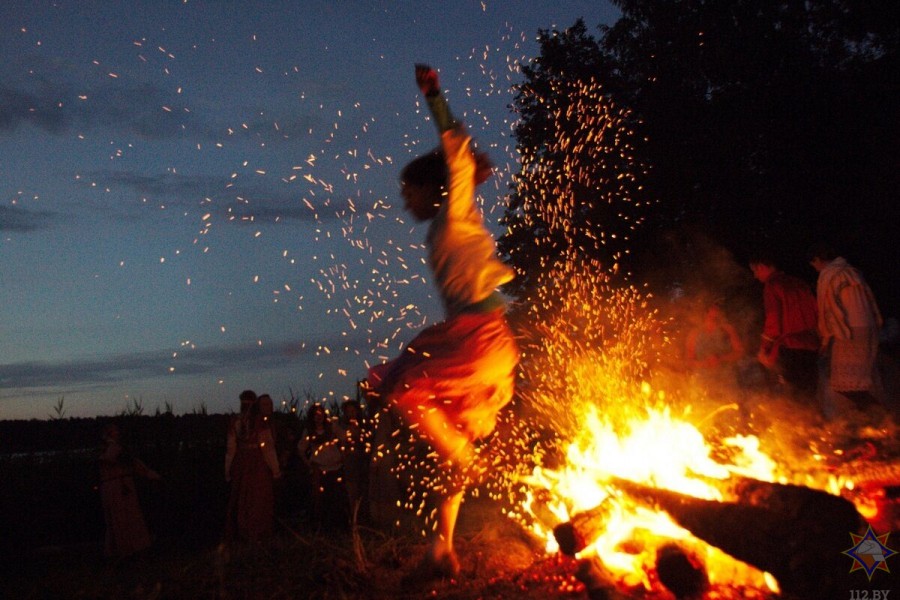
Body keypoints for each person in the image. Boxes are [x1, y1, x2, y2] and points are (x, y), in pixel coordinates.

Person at [365, 64, 520, 580]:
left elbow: (456, 147)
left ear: (433, 189)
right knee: (452, 457)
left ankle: (459, 453)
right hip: (486, 344)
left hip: (479, 339)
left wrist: (434, 96)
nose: (403, 201)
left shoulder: (455, 212)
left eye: (408, 191)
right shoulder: (441, 227)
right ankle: (442, 548)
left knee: (403, 382)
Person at [808, 244, 884, 421]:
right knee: (858, 384)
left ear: (818, 259)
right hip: (868, 329)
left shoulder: (829, 275)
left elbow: (828, 309)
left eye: (813, 263)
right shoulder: (852, 271)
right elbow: (872, 303)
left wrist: (825, 339)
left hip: (849, 331)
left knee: (847, 386)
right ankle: (873, 424)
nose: (814, 267)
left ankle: (882, 420)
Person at [749, 254, 820, 402]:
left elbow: (773, 322)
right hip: (811, 345)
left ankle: (795, 424)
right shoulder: (800, 283)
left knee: (792, 395)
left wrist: (764, 349)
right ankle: (812, 423)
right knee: (809, 394)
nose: (755, 276)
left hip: (790, 347)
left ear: (762, 266)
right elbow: (816, 311)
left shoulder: (772, 285)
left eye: (755, 271)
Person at [224, 390, 282, 544]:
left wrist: (228, 470)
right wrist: (276, 470)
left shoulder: (236, 421)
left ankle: (246, 533)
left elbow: (231, 449)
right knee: (258, 496)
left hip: (242, 462)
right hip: (256, 463)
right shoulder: (259, 422)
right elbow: (268, 448)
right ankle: (256, 533)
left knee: (244, 497)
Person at [98, 422, 162, 560]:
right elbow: (132, 463)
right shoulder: (112, 449)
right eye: (114, 430)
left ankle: (122, 550)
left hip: (116, 486)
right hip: (118, 487)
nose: (118, 432)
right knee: (122, 518)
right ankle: (125, 550)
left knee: (121, 519)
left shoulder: (110, 449)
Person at [297, 403, 347, 529]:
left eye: (320, 414)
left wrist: (343, 454)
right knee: (319, 498)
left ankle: (337, 525)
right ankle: (321, 526)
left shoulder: (332, 427)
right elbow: (301, 449)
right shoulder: (309, 431)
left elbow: (345, 438)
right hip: (319, 468)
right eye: (315, 414)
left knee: (335, 497)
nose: (318, 417)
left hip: (335, 467)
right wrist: (308, 463)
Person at [684, 300, 745, 384]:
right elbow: (688, 361)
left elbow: (739, 352)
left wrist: (721, 358)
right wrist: (704, 363)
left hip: (726, 379)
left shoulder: (728, 329)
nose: (716, 311)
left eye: (717, 308)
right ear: (706, 311)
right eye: (713, 308)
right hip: (702, 381)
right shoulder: (694, 333)